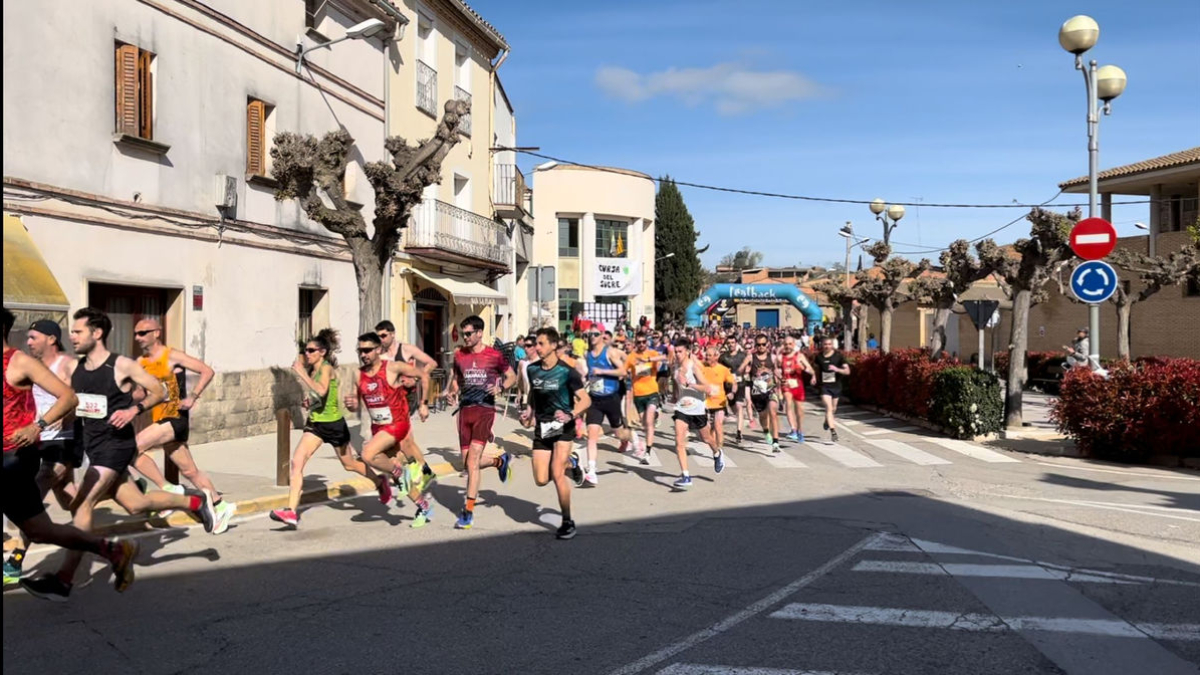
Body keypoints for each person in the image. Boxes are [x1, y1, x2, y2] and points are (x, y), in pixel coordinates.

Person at [20, 308, 216, 601]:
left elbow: (158, 391)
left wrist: (132, 409)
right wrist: (63, 419)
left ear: (97, 333)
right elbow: (80, 404)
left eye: (78, 331)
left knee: (83, 505)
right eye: (72, 332)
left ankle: (63, 580)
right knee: (136, 504)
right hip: (94, 444)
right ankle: (194, 500)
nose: (72, 337)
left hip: (116, 445)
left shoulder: (121, 364)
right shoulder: (76, 369)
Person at [3, 309, 138, 598]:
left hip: (15, 457)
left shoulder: (19, 362)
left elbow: (69, 397)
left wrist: (36, 426)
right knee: (42, 530)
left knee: (52, 518)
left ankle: (21, 565)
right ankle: (113, 550)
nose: (30, 341)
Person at [270, 329, 389, 528]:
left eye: (311, 350)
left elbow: (322, 391)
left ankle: (379, 482)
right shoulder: (313, 370)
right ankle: (291, 511)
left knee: (349, 464)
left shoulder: (326, 369)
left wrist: (300, 374)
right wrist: (310, 402)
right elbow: (318, 396)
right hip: (316, 424)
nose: (307, 354)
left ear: (322, 352)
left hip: (334, 425)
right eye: (305, 350)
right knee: (297, 462)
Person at [130, 318, 234, 534]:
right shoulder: (141, 362)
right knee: (190, 471)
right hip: (159, 418)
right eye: (136, 334)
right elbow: (140, 393)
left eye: (143, 333)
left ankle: (169, 489)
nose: (138, 337)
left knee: (133, 447)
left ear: (157, 333)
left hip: (175, 418)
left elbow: (207, 371)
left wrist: (193, 397)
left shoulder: (172, 356)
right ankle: (220, 505)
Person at [5, 320, 80, 585]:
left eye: (34, 337)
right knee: (72, 500)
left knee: (35, 494)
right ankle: (90, 534)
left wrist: (58, 419)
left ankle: (15, 561)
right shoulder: (27, 365)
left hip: (61, 442)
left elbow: (82, 399)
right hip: (36, 443)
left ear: (51, 339)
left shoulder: (69, 365)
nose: (29, 341)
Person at [345, 333, 435, 528]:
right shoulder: (358, 375)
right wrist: (352, 404)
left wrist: (424, 403)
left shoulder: (392, 368)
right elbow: (356, 405)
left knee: (368, 454)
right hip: (379, 428)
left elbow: (423, 374)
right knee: (395, 473)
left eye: (368, 350)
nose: (364, 354)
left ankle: (407, 471)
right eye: (360, 350)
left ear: (378, 349)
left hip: (397, 424)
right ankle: (423, 505)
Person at [444, 315, 517, 530]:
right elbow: (457, 380)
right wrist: (451, 393)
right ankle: (499, 461)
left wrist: (501, 388)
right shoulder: (459, 355)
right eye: (463, 333)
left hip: (484, 410)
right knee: (467, 462)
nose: (465, 337)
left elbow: (511, 376)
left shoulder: (493, 355)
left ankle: (467, 511)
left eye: (468, 333)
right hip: (464, 412)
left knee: (473, 461)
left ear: (479, 333)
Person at [520, 327, 589, 540]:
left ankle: (568, 521)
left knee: (557, 474)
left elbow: (586, 400)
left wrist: (571, 414)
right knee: (541, 479)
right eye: (535, 344)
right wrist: (529, 412)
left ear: (553, 345)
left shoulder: (567, 372)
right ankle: (573, 463)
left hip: (563, 428)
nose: (536, 348)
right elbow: (534, 393)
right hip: (542, 428)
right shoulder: (532, 370)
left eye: (541, 344)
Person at [376, 322, 439, 500]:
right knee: (401, 442)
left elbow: (431, 363)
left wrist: (415, 377)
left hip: (406, 399)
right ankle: (419, 472)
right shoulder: (379, 354)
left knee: (403, 441)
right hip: (389, 401)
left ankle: (416, 474)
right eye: (378, 336)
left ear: (392, 334)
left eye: (384, 336)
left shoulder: (406, 350)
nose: (381, 339)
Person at [582, 328, 642, 485]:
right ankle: (592, 471)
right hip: (595, 399)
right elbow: (589, 372)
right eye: (590, 334)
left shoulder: (610, 352)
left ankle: (633, 437)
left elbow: (622, 371)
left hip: (611, 398)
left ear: (602, 336)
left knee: (620, 433)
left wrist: (602, 371)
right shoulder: (587, 354)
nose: (592, 337)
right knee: (591, 435)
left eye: (595, 334)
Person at [669, 338, 725, 490]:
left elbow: (707, 388)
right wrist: (675, 395)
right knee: (679, 441)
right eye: (676, 351)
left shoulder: (693, 367)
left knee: (706, 438)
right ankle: (686, 476)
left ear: (687, 351)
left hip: (697, 409)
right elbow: (676, 383)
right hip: (681, 409)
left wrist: (689, 384)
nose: (677, 354)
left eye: (680, 351)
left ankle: (717, 453)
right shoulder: (674, 366)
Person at [625, 333, 666, 463]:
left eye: (643, 342)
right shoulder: (631, 357)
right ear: (636, 343)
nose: (641, 344)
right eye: (639, 342)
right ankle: (655, 415)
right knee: (644, 424)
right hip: (638, 395)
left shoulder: (652, 353)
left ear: (646, 343)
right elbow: (624, 370)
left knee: (648, 422)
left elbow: (666, 357)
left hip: (652, 392)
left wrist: (649, 360)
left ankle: (647, 452)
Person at [741, 334, 782, 453]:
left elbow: (776, 371)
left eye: (763, 344)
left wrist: (781, 378)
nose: (761, 347)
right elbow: (741, 370)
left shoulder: (773, 357)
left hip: (770, 389)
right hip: (757, 392)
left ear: (767, 344)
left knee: (773, 412)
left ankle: (775, 442)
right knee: (763, 416)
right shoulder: (751, 357)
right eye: (758, 345)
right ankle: (765, 430)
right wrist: (745, 370)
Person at [779, 334, 817, 443]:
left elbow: (809, 369)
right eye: (785, 344)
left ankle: (800, 430)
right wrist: (778, 379)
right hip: (786, 385)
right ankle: (793, 430)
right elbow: (776, 370)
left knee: (799, 410)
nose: (787, 346)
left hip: (798, 386)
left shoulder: (799, 356)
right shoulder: (780, 357)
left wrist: (811, 375)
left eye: (790, 344)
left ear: (794, 344)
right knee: (788, 404)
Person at [813, 335, 851, 443]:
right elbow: (816, 369)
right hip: (824, 387)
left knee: (833, 409)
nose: (827, 346)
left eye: (829, 344)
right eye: (825, 344)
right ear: (822, 345)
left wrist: (837, 369)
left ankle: (827, 421)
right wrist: (814, 378)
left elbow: (847, 372)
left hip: (836, 386)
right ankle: (833, 432)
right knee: (829, 408)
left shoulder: (839, 357)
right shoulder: (819, 357)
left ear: (832, 345)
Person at [699, 346, 736, 454]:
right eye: (706, 355)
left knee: (718, 425)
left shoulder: (723, 369)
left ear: (716, 356)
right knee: (706, 433)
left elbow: (733, 383)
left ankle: (719, 451)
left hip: (720, 402)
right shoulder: (701, 367)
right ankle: (714, 445)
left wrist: (732, 392)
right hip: (705, 403)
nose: (707, 357)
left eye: (709, 355)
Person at [718, 335, 750, 445]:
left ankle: (739, 432)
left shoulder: (742, 356)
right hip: (728, 386)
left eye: (733, 342)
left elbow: (748, 367)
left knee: (739, 406)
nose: (731, 345)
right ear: (727, 344)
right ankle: (740, 421)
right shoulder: (723, 357)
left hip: (740, 384)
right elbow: (719, 371)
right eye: (729, 343)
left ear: (736, 343)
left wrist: (745, 372)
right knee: (734, 408)